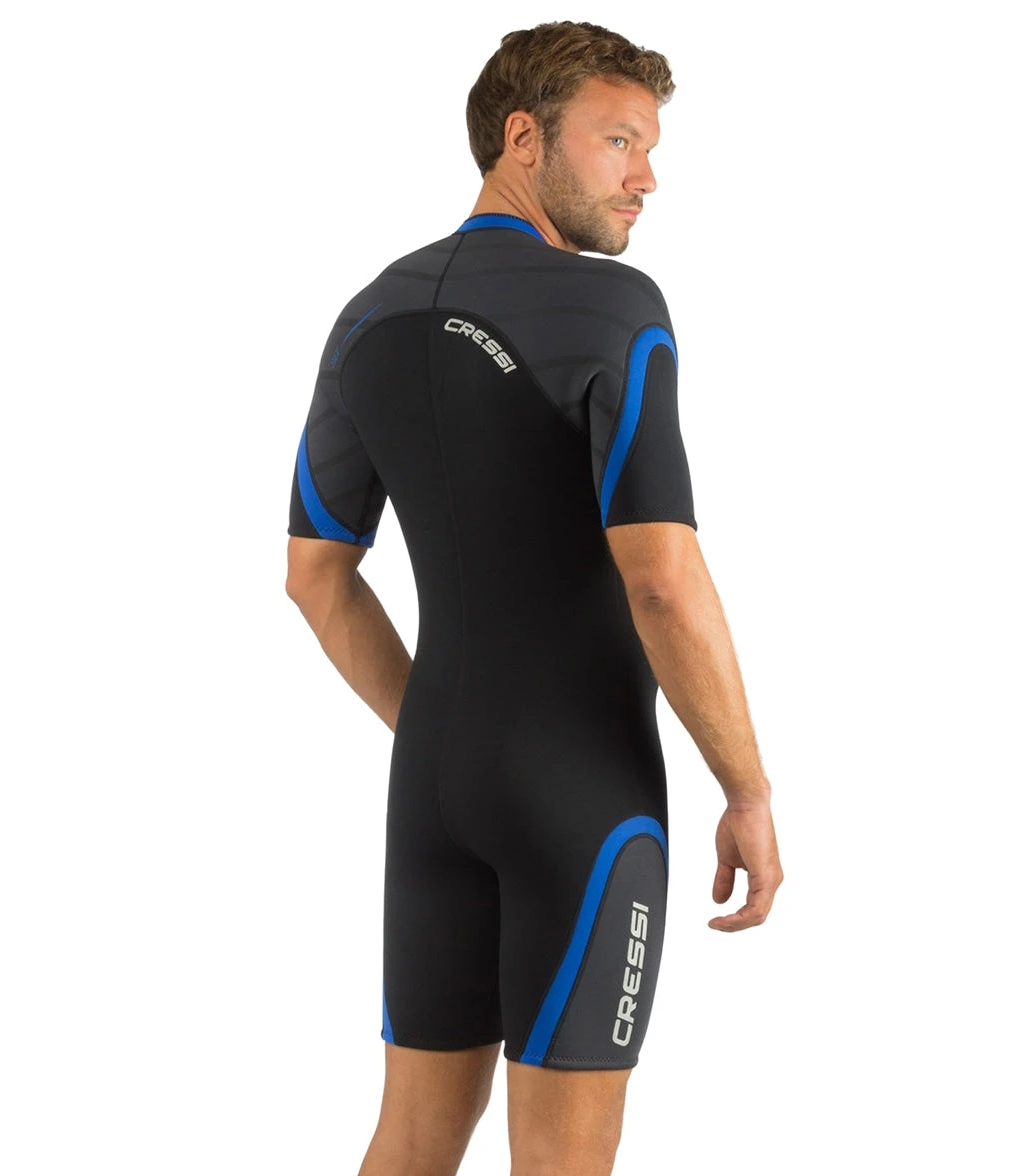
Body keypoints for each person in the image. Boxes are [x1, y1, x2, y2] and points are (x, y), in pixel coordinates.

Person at [285, 19, 783, 1176]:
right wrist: (747, 788)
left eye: (650, 149)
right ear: (524, 137)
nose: (646, 177)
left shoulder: (366, 318)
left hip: (433, 784)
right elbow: (661, 577)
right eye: (620, 141)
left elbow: (314, 574)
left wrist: (445, 729)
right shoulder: (611, 310)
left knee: (410, 1139)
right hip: (579, 789)